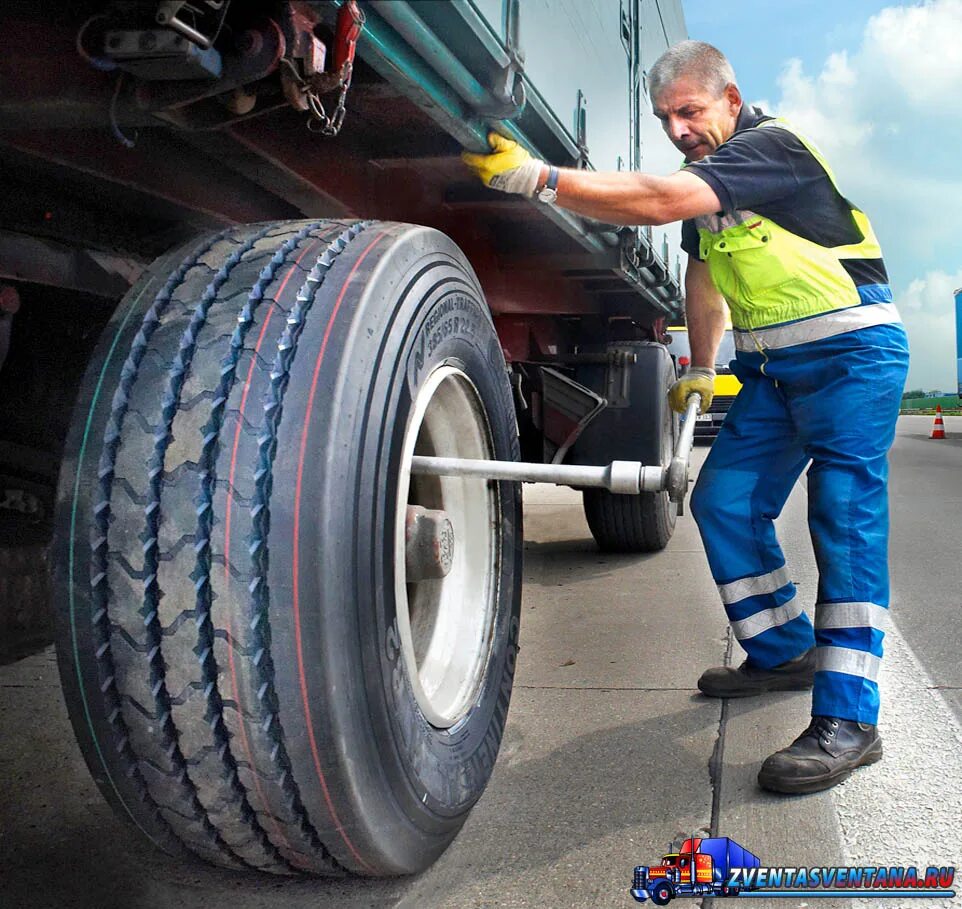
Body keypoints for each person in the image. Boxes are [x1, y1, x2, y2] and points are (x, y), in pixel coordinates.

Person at [461, 40, 909, 795]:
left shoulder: (771, 148)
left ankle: (850, 717)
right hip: (773, 372)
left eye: (690, 112)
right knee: (722, 500)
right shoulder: (713, 196)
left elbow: (663, 199)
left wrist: (542, 180)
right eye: (665, 118)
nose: (678, 130)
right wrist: (701, 367)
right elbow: (704, 281)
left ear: (731, 100)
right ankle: (784, 651)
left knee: (844, 517)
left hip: (852, 356)